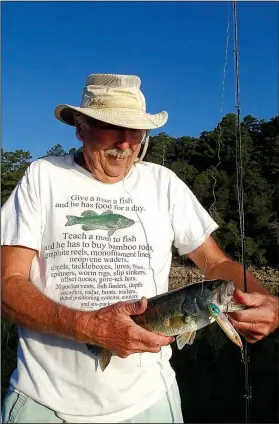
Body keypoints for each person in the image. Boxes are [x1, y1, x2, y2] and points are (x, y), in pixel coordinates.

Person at [1, 73, 278, 424]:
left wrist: (266, 300)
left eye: (136, 130)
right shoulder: (42, 177)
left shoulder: (164, 183)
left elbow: (216, 263)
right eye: (110, 127)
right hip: (44, 401)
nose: (126, 142)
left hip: (150, 401)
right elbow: (7, 284)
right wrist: (87, 327)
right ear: (80, 126)